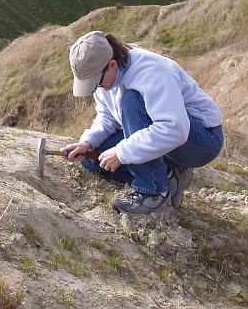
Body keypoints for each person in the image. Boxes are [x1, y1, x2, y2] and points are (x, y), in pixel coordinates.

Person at [61, 31, 224, 215]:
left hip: (201, 141)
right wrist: (88, 142)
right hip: (169, 136)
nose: (97, 88)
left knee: (132, 100)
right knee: (94, 159)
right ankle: (170, 176)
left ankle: (154, 193)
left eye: (96, 82)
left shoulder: (150, 71)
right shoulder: (103, 77)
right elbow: (107, 117)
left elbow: (175, 129)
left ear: (112, 64)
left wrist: (121, 152)